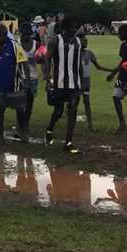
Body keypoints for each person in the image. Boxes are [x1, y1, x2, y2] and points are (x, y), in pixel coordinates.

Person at [44, 15, 84, 154]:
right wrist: (47, 80)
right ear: (65, 27)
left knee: (73, 109)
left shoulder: (79, 42)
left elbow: (78, 63)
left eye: (75, 27)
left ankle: (68, 142)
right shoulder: (56, 40)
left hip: (75, 83)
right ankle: (49, 129)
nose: (74, 29)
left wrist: (82, 81)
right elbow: (47, 59)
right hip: (59, 82)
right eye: (71, 27)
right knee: (58, 111)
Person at [78, 35, 112, 131]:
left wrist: (112, 70)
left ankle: (90, 124)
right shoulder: (74, 53)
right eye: (84, 41)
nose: (86, 42)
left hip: (86, 82)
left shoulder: (89, 53)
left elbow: (98, 67)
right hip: (76, 82)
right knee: (74, 102)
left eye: (86, 41)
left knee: (86, 102)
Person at [19, 25, 40, 129]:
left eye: (28, 34)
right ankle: (21, 123)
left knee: (30, 101)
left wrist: (38, 59)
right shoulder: (17, 43)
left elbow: (41, 59)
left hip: (33, 77)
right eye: (24, 34)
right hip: (19, 76)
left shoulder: (36, 44)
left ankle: (26, 122)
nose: (26, 37)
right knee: (20, 102)